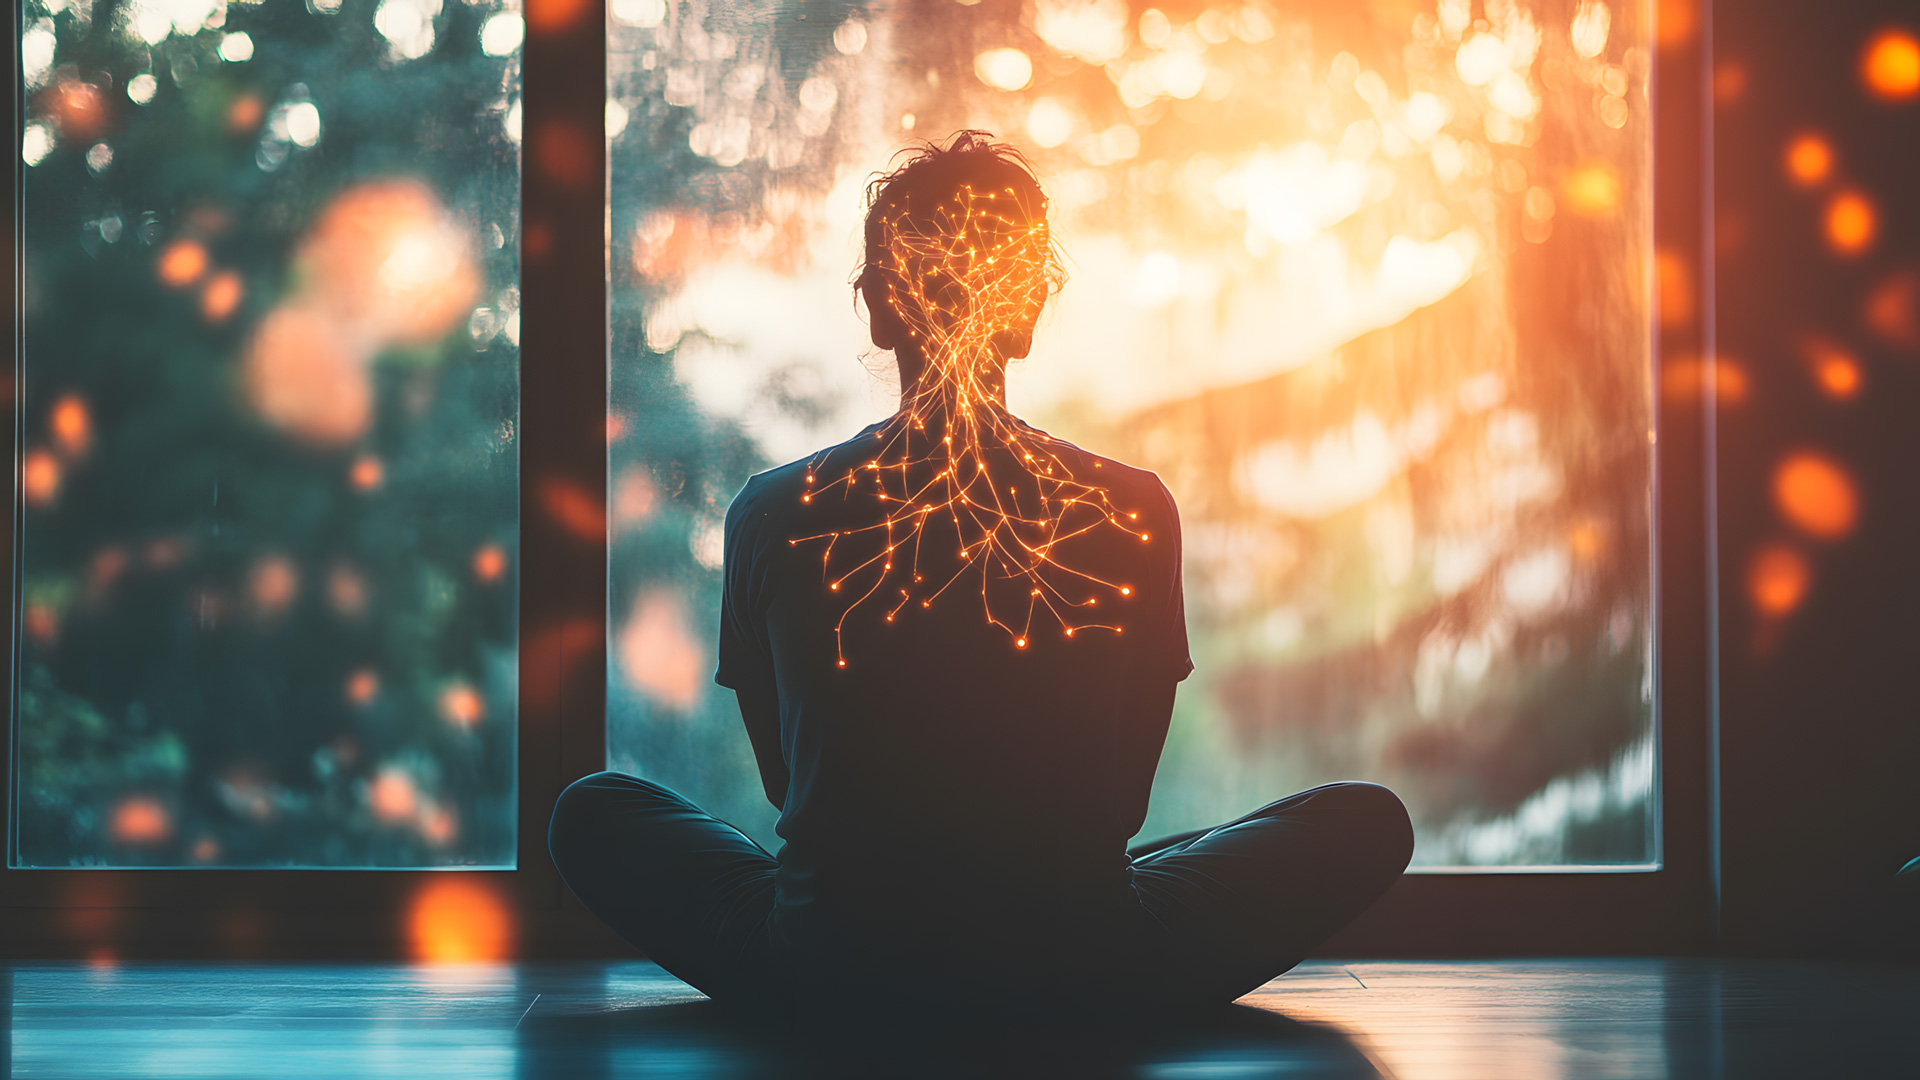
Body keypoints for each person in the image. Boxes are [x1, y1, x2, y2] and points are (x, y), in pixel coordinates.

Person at [549, 131, 1413, 1018]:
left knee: (590, 809)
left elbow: (788, 788)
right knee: (1365, 821)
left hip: (828, 964)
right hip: (1086, 962)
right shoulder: (1133, 510)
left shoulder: (771, 513)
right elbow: (1120, 801)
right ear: (1028, 313)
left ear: (879, 309)